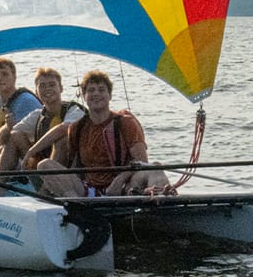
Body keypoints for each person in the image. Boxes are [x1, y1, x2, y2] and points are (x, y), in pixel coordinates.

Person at [36, 70, 171, 198]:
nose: (96, 94)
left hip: (124, 187)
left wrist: (120, 179)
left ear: (110, 95)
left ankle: (162, 199)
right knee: (44, 165)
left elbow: (142, 162)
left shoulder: (125, 123)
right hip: (88, 188)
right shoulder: (77, 127)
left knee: (155, 168)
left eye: (101, 90)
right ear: (84, 96)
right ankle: (76, 205)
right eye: (91, 90)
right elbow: (75, 167)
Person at [12, 67, 86, 171]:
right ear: (36, 92)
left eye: (52, 85)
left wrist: (31, 151)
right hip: (42, 166)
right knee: (15, 135)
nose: (47, 89)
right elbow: (11, 134)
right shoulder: (37, 115)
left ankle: (48, 184)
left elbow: (63, 129)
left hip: (72, 170)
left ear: (61, 88)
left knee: (62, 139)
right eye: (42, 86)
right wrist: (8, 125)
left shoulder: (74, 110)